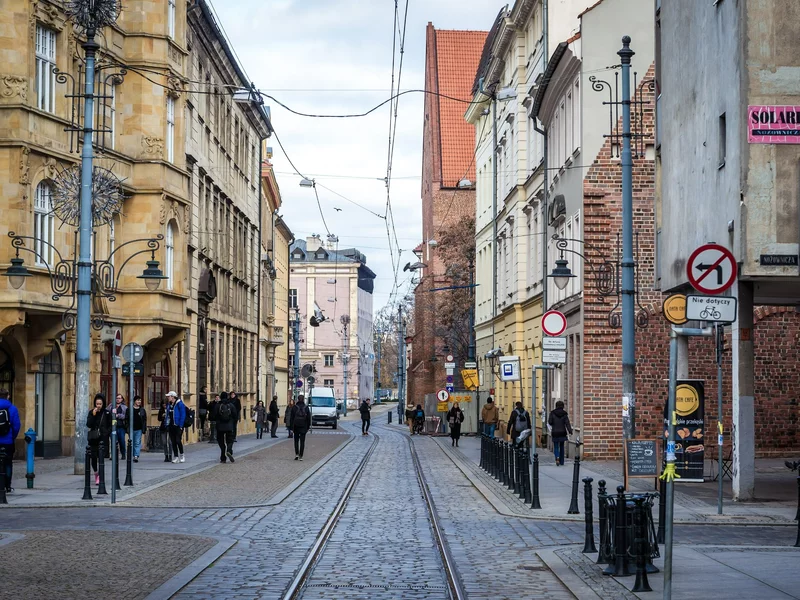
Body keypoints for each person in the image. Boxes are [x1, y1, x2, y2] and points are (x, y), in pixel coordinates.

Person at [86, 394, 111, 486]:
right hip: (93, 439)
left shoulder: (107, 413)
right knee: (93, 458)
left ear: (103, 404)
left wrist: (106, 433)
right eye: (97, 404)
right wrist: (93, 415)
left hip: (103, 439)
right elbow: (88, 424)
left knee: (101, 458)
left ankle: (100, 476)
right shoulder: (91, 412)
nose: (98, 405)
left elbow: (110, 425)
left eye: (100, 404)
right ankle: (96, 473)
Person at [0, 388, 21, 494]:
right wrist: (12, 437)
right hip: (7, 441)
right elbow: (17, 426)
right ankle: (7, 486)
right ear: (8, 396)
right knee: (8, 464)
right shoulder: (12, 408)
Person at [213, 391, 238, 463]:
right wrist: (233, 424)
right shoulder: (231, 405)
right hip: (229, 426)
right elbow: (235, 416)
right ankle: (229, 450)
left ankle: (223, 456)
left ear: (220, 397)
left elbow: (213, 416)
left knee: (220, 441)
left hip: (220, 426)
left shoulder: (218, 405)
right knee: (230, 440)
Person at [548, 400, 573, 466]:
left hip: (555, 432)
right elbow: (567, 423)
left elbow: (550, 422)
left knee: (556, 446)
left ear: (556, 406)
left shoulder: (552, 413)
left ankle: (557, 458)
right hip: (562, 432)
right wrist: (570, 431)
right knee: (562, 446)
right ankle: (562, 461)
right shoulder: (564, 414)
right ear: (563, 406)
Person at [166, 391, 186, 463]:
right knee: (173, 442)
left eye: (169, 396)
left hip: (178, 425)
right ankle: (176, 456)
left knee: (178, 440)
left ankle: (182, 455)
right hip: (171, 425)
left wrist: (181, 425)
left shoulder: (179, 404)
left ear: (173, 397)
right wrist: (167, 424)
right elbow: (167, 415)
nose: (168, 398)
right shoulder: (169, 405)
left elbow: (183, 415)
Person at [290, 395, 311, 460]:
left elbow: (291, 418)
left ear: (298, 399)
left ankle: (296, 454)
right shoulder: (306, 407)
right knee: (302, 441)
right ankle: (301, 456)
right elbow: (308, 418)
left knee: (296, 441)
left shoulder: (294, 407)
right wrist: (308, 427)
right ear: (303, 399)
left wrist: (291, 428)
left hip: (296, 426)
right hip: (303, 426)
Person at [111, 393, 128, 460]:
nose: (118, 399)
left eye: (119, 398)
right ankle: (113, 455)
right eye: (117, 398)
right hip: (113, 426)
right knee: (113, 441)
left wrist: (119, 415)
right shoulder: (111, 406)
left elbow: (126, 416)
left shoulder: (124, 407)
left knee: (122, 441)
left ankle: (123, 454)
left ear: (122, 399)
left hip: (121, 427)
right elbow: (107, 412)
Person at [131, 396, 147, 462]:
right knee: (131, 442)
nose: (139, 402)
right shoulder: (130, 409)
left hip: (139, 429)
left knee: (137, 442)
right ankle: (132, 454)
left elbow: (144, 419)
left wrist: (144, 428)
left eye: (140, 400)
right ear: (134, 401)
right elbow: (127, 418)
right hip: (131, 428)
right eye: (138, 400)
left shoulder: (142, 410)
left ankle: (136, 456)